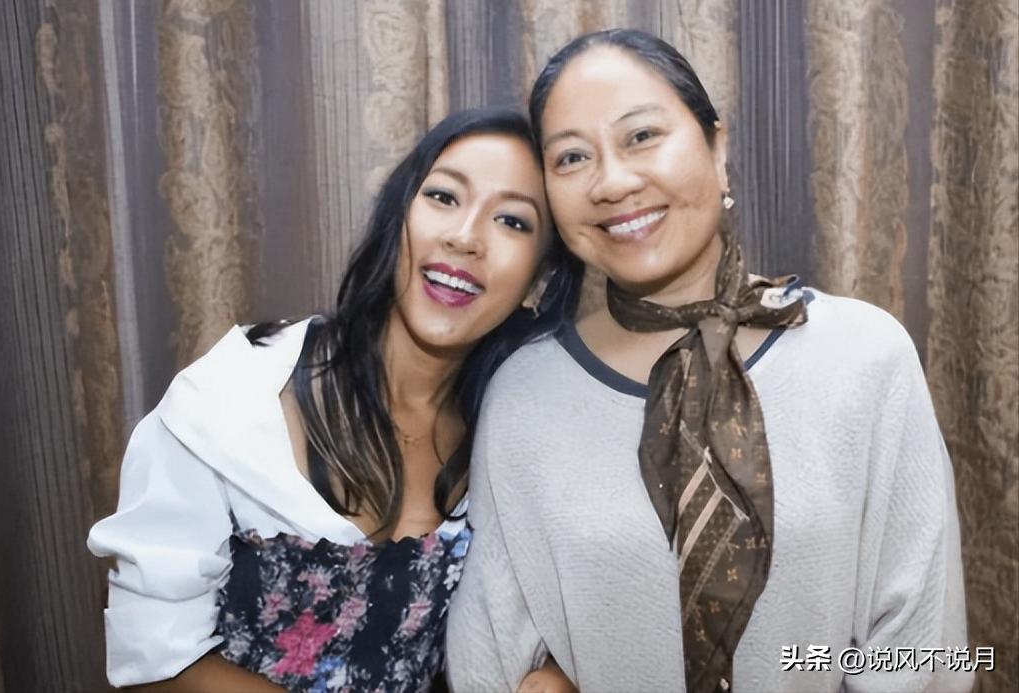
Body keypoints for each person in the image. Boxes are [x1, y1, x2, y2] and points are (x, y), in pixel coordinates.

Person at [446, 30, 971, 693]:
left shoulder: (867, 356)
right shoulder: (525, 395)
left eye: (641, 136)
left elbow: (926, 654)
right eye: (573, 156)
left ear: (717, 149)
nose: (613, 181)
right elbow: (491, 663)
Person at [88, 107, 583, 692]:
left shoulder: (511, 428)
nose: (465, 236)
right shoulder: (237, 393)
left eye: (512, 221)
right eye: (444, 197)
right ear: (398, 216)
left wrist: (557, 671)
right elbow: (153, 661)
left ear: (537, 281)